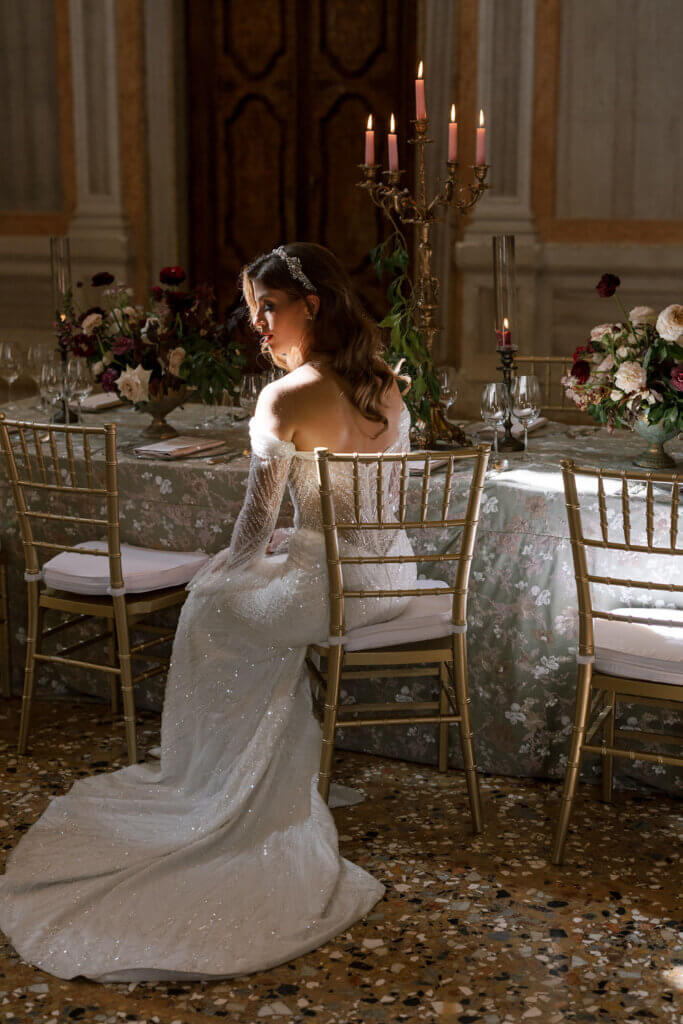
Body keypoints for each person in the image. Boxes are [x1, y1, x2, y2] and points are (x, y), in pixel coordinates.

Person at [0, 243, 416, 981]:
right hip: (388, 574)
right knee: (241, 610)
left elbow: (252, 527)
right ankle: (263, 767)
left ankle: (216, 787)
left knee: (211, 612)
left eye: (268, 309)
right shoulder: (383, 383)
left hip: (328, 584)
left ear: (310, 305)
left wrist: (228, 572)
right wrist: (299, 545)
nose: (256, 326)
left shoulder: (284, 398)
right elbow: (372, 508)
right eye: (254, 312)